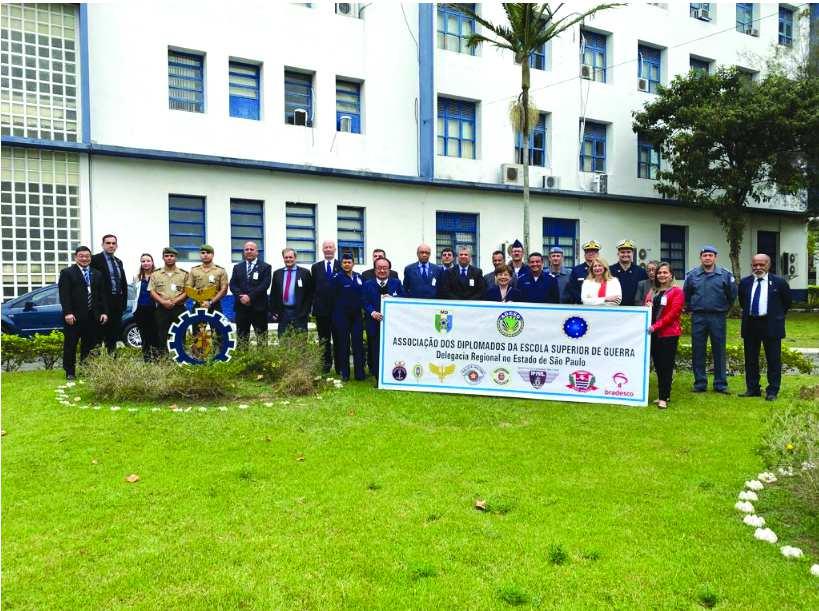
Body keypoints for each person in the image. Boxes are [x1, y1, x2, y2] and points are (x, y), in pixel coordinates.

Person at [737, 253, 792, 401]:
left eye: (762, 264)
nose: (758, 267)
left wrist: (776, 316)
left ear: (768, 265)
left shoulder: (779, 283)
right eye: (755, 265)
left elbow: (786, 303)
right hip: (751, 324)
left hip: (771, 324)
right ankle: (753, 388)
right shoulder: (745, 283)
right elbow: (743, 302)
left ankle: (772, 391)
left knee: (773, 359)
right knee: (751, 359)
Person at [683, 245, 737, 394]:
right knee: (698, 349)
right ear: (700, 257)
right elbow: (686, 294)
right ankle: (700, 383)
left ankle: (720, 383)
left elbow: (732, 295)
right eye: (705, 255)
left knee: (719, 349)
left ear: (715, 257)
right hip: (698, 316)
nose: (707, 258)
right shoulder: (692, 275)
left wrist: (724, 309)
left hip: (717, 316)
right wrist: (690, 308)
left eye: (710, 255)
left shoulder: (725, 275)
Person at [58, 246, 108, 379]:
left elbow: (102, 295)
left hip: (93, 316)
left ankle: (87, 369)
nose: (85, 258)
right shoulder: (67, 273)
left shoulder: (97, 273)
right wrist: (68, 312)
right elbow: (64, 295)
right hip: (74, 316)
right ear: (76, 257)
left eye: (87, 256)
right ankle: (70, 372)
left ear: (90, 258)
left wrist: (104, 312)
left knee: (90, 345)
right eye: (81, 256)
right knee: (71, 344)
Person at [647, 262, 684, 409]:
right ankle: (664, 394)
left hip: (668, 334)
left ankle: (663, 398)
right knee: (658, 365)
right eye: (659, 273)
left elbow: (672, 315)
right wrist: (647, 306)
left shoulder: (677, 292)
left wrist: (656, 326)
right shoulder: (653, 291)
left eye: (665, 272)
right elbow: (646, 308)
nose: (661, 275)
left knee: (666, 366)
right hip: (653, 334)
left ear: (671, 275)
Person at [363, 257, 404, 379]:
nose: (382, 270)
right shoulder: (367, 284)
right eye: (379, 268)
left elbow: (404, 298)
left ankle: (391, 374)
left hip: (392, 324)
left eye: (385, 268)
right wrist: (372, 312)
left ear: (389, 270)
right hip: (374, 323)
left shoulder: (396, 283)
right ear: (375, 270)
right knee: (375, 349)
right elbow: (364, 301)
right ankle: (377, 376)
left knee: (391, 349)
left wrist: (393, 299)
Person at [229, 241, 272, 345]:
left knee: (262, 338)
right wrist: (242, 297)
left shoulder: (265, 267)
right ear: (244, 252)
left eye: (251, 249)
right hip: (241, 308)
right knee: (242, 338)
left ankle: (262, 360)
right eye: (246, 249)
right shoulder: (237, 267)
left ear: (257, 252)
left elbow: (264, 285)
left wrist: (249, 297)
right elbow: (233, 285)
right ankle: (243, 360)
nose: (249, 251)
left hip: (259, 309)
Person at [90, 234, 127, 354]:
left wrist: (123, 303)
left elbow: (123, 283)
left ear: (116, 245)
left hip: (117, 303)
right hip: (102, 303)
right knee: (98, 336)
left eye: (113, 243)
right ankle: (96, 365)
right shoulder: (95, 260)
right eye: (108, 243)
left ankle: (111, 363)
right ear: (102, 245)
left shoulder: (118, 262)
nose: (111, 245)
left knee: (113, 335)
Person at [331, 253, 365, 381]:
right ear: (341, 264)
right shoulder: (336, 278)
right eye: (344, 262)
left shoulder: (359, 277)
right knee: (343, 345)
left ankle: (359, 374)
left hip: (356, 316)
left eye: (349, 262)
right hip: (342, 316)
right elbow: (332, 298)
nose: (346, 264)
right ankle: (345, 373)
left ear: (353, 263)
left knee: (358, 345)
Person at [149, 247, 189, 354]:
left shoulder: (184, 274)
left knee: (180, 333)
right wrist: (163, 302)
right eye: (166, 256)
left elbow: (187, 291)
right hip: (162, 309)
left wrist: (174, 301)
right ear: (163, 258)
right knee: (162, 334)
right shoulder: (155, 274)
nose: (169, 258)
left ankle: (181, 356)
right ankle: (164, 358)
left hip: (179, 308)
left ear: (176, 258)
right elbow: (152, 291)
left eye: (172, 256)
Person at [311, 240, 341, 372]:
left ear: (335, 249)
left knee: (339, 338)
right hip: (321, 311)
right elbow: (313, 289)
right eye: (325, 247)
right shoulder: (316, 267)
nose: (328, 249)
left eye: (330, 247)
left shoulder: (342, 265)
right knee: (324, 340)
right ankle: (325, 365)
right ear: (322, 250)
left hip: (338, 311)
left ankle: (340, 366)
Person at [270, 248, 314, 336]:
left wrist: (306, 312)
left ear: (295, 258)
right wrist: (273, 311)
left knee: (300, 341)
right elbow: (273, 294)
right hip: (283, 313)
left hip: (299, 313)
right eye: (286, 257)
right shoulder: (277, 273)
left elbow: (310, 294)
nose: (288, 259)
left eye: (290, 257)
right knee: (283, 340)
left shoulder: (305, 273)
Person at [132, 253, 160, 362]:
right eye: (143, 261)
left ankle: (157, 359)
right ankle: (147, 359)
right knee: (144, 336)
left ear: (152, 262)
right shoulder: (137, 277)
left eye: (148, 261)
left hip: (154, 309)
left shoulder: (158, 275)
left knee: (155, 335)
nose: (146, 263)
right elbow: (135, 294)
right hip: (140, 310)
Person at [185, 244, 228, 312]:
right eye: (203, 253)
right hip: (198, 304)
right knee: (196, 322)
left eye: (208, 253)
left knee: (215, 323)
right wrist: (199, 300)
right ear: (200, 255)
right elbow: (188, 287)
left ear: (213, 255)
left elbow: (224, 290)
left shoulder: (220, 271)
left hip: (215, 305)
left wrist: (210, 302)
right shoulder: (194, 270)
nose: (205, 255)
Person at [609, 239, 648, 306]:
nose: (625, 254)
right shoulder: (610, 270)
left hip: (634, 310)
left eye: (628, 252)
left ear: (632, 253)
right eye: (622, 252)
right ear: (618, 253)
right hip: (614, 309)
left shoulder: (641, 271)